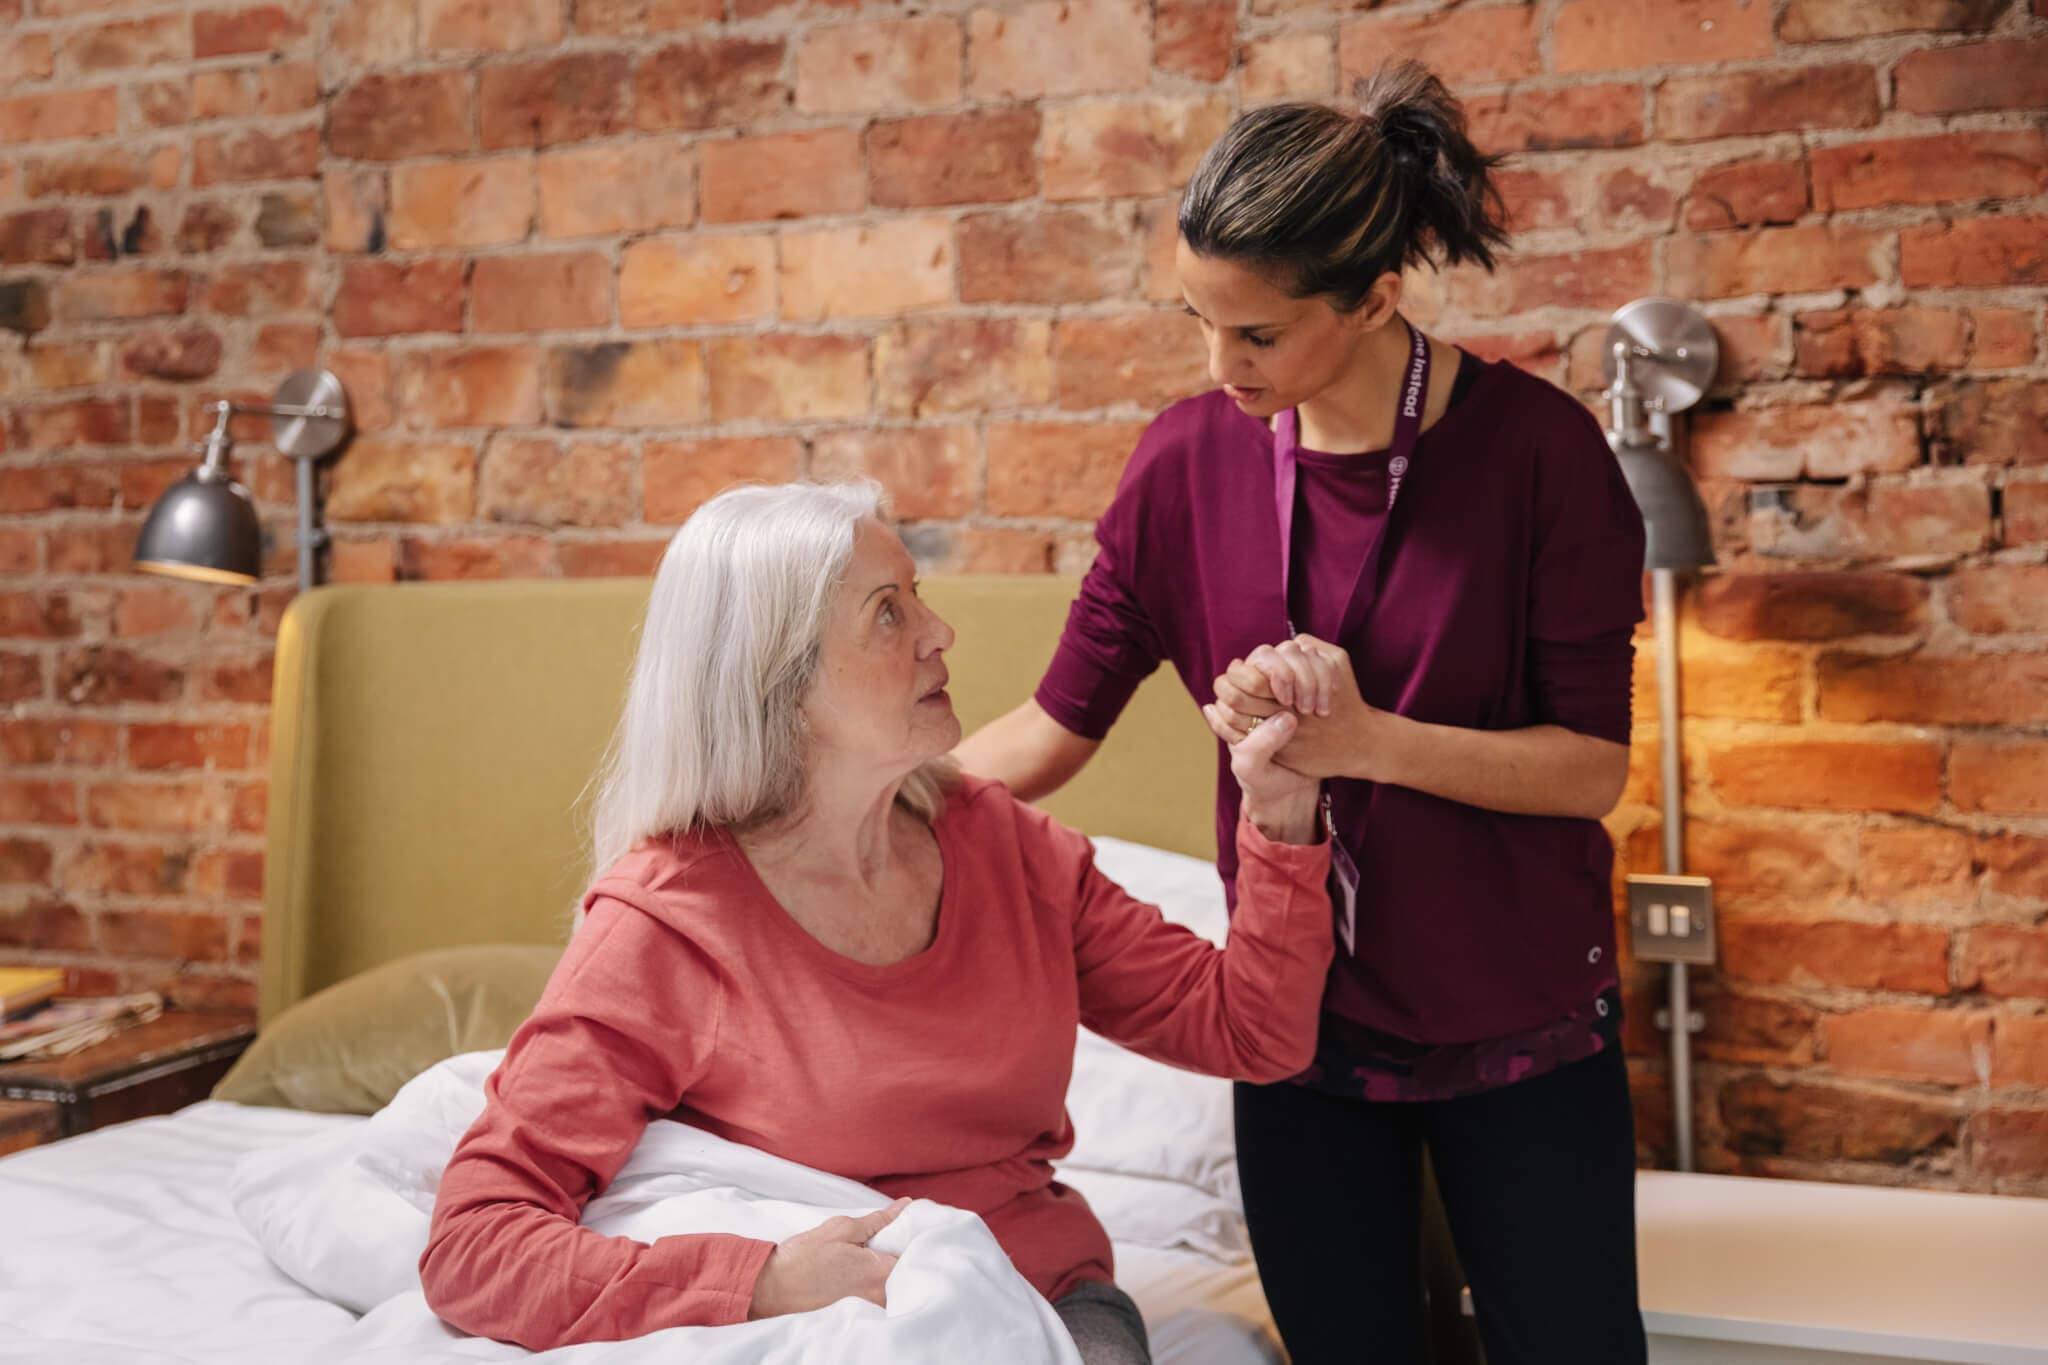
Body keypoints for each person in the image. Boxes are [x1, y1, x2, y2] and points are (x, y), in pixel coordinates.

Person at [955, 61, 1650, 1364]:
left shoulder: (1545, 456)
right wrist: (838, 812)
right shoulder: (1181, 465)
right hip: (1299, 1047)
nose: (1220, 368)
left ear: (1376, 298)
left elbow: (1589, 771)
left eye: (1257, 334)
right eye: (1199, 323)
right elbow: (1047, 733)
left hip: (1524, 1031)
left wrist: (1366, 742)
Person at [418, 481, 1337, 1365]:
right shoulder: (668, 922)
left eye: (918, 598)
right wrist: (765, 1279)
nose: (941, 632)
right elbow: (476, 1242)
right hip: (814, 1324)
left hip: (1039, 1295)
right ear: (781, 682)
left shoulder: (1003, 844)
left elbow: (1252, 1031)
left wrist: (1282, 810)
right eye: (889, 612)